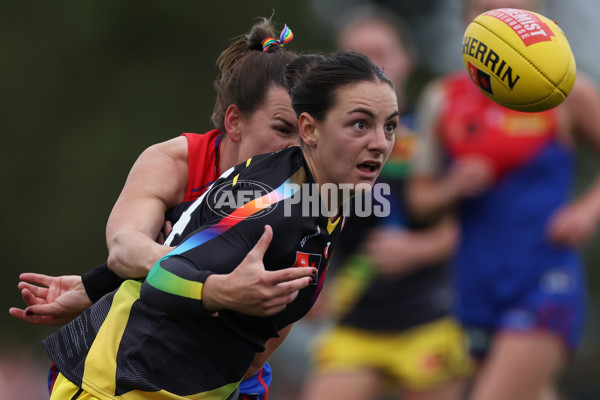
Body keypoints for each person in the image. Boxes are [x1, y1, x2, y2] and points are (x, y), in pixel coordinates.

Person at [43, 50, 398, 400]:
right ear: (310, 129)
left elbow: (196, 240)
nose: (380, 144)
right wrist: (223, 290)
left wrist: (94, 284)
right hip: (118, 385)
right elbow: (163, 276)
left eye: (390, 126)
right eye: (360, 124)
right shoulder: (271, 203)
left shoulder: (324, 192)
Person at [9, 18, 316, 400]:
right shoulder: (177, 162)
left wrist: (96, 284)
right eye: (282, 129)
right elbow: (125, 249)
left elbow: (268, 339)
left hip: (229, 374)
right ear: (235, 122)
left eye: (304, 134)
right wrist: (212, 286)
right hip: (123, 366)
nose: (294, 150)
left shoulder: (309, 191)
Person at [407, 0, 600, 399]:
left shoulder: (568, 90)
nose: (501, 19)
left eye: (512, 11)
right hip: (472, 285)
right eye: (486, 11)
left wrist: (587, 209)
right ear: (468, 25)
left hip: (544, 278)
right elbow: (419, 200)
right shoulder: (442, 98)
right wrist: (451, 186)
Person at [299, 7, 472, 400]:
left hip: (431, 315)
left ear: (406, 60)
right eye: (357, 58)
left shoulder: (441, 132)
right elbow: (310, 216)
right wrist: (310, 280)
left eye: (381, 53)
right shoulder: (324, 141)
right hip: (357, 320)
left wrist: (420, 248)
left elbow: (483, 224)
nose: (371, 67)